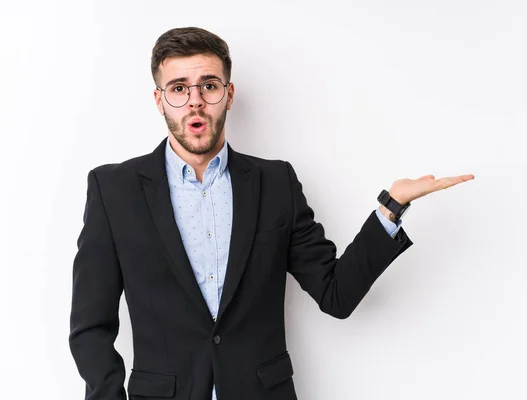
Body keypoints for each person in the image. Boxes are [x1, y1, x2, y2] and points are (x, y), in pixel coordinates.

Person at [68, 26, 474, 400]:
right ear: (160, 100)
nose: (195, 101)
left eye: (208, 86)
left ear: (228, 94)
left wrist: (391, 207)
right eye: (178, 88)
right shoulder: (113, 189)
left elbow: (336, 295)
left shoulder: (275, 183)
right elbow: (91, 326)